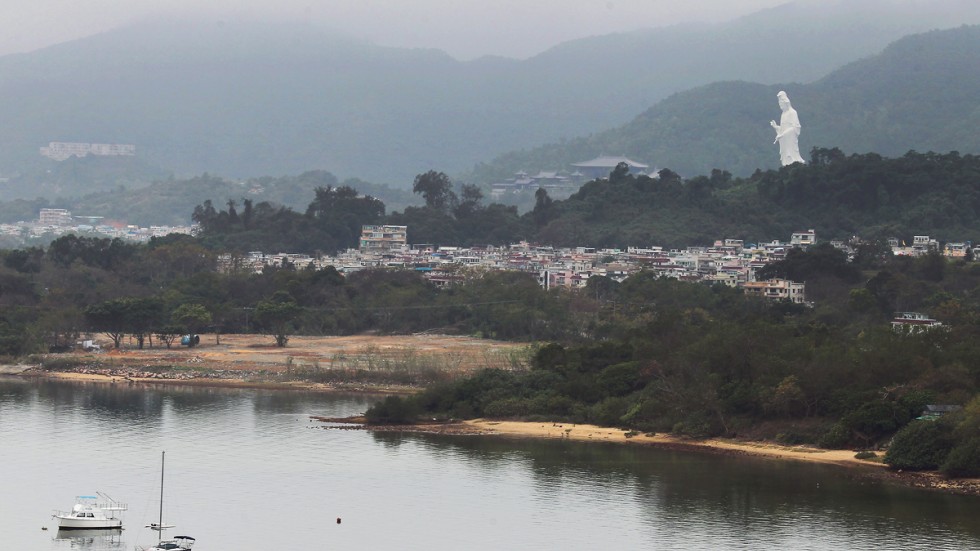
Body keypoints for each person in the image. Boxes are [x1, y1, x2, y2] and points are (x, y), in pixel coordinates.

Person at [770, 91, 805, 166]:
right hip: (785, 142)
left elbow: (796, 128)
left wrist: (783, 135)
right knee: (786, 159)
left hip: (791, 141)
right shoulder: (783, 114)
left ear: (786, 103)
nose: (780, 106)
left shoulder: (792, 112)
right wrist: (776, 127)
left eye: (781, 104)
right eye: (779, 104)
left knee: (792, 155)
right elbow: (783, 129)